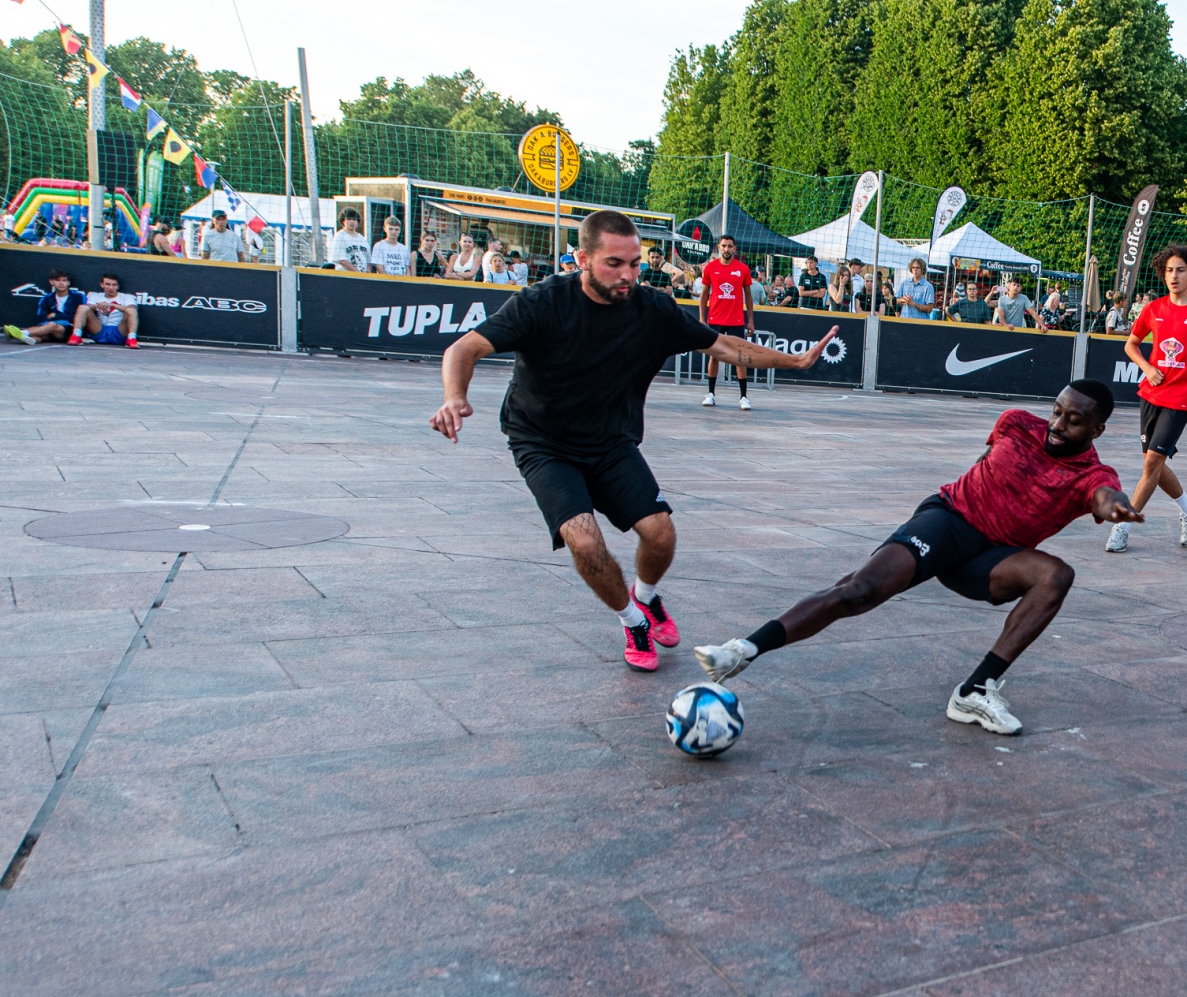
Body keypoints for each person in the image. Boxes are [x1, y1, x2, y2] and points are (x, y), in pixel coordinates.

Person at [428, 210, 836, 671]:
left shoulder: (652, 310)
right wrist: (454, 397)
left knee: (660, 533)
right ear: (583, 259)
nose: (627, 275)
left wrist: (794, 362)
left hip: (611, 441)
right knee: (585, 543)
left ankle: (645, 597)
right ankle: (633, 621)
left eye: (635, 264)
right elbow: (463, 349)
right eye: (614, 263)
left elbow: (723, 346)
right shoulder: (542, 302)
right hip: (543, 443)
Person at [694, 382, 1139, 735]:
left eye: (1073, 421)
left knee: (1056, 575)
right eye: (1056, 411)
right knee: (859, 591)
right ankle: (742, 650)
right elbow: (987, 461)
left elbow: (1104, 496)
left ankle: (974, 690)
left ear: (1097, 430)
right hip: (948, 523)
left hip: (992, 559)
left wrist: (1115, 506)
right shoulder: (1016, 422)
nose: (1057, 425)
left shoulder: (1092, 474)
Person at [1105, 244, 1187, 555]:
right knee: (1153, 464)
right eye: (1169, 270)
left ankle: (1123, 526)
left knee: (1152, 463)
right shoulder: (1154, 308)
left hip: (1182, 400)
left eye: (1181, 271)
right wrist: (1147, 368)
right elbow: (1131, 345)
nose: (1174, 276)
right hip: (1150, 394)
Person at [699, 232, 756, 410]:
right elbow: (704, 295)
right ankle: (711, 394)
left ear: (734, 248)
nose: (727, 249)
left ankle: (743, 397)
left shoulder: (743, 269)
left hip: (736, 319)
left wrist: (751, 320)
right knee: (714, 355)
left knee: (739, 358)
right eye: (724, 246)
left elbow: (748, 296)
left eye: (730, 246)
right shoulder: (710, 267)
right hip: (715, 318)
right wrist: (702, 319)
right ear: (719, 247)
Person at [6, 269, 85, 343]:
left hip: (69, 329)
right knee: (43, 335)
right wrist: (55, 320)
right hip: (49, 329)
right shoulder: (47, 298)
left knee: (52, 325)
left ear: (68, 283)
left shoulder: (78, 296)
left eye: (64, 280)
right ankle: (29, 339)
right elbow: (41, 317)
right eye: (57, 280)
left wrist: (56, 316)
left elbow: (80, 318)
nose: (61, 283)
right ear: (51, 282)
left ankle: (21, 332)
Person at [68, 271, 141, 348]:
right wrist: (99, 305)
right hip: (99, 330)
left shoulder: (127, 297)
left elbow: (132, 309)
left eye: (114, 285)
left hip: (119, 331)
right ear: (101, 285)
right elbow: (88, 307)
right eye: (107, 284)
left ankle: (131, 339)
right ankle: (76, 336)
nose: (111, 288)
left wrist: (112, 305)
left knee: (131, 310)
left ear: (118, 286)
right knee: (82, 308)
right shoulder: (95, 296)